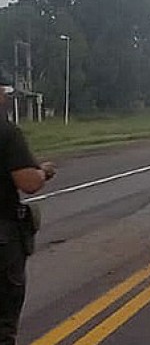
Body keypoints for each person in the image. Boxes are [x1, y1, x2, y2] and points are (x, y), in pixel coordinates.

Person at [0, 77, 55, 345]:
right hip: (3, 237)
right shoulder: (7, 133)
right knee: (3, 319)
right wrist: (43, 172)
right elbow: (29, 183)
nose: (7, 97)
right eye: (4, 91)